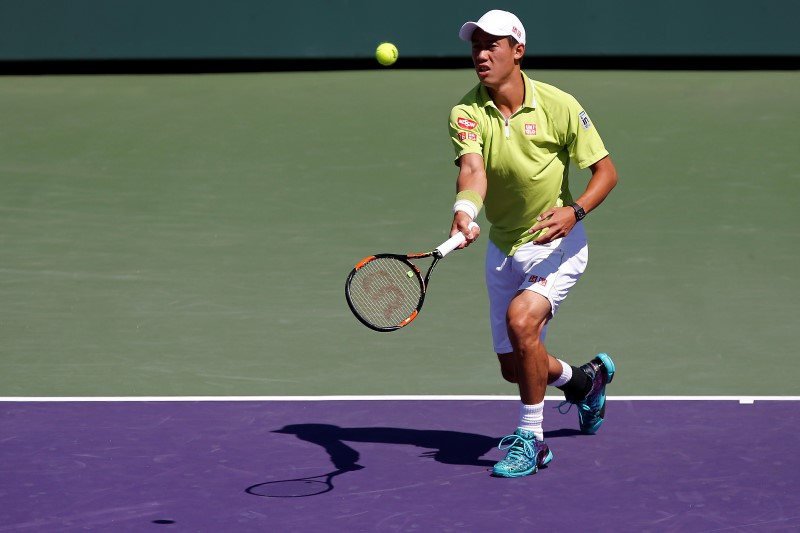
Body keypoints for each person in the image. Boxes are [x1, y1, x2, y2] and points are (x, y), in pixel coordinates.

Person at [448, 9, 619, 478]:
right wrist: (464, 211)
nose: (481, 55)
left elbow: (605, 172)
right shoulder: (466, 111)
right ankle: (586, 382)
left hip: (556, 241)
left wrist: (574, 211)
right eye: (476, 46)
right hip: (503, 248)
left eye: (492, 45)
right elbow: (473, 170)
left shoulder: (559, 105)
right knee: (516, 367)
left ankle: (532, 440)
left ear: (517, 51)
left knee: (521, 320)